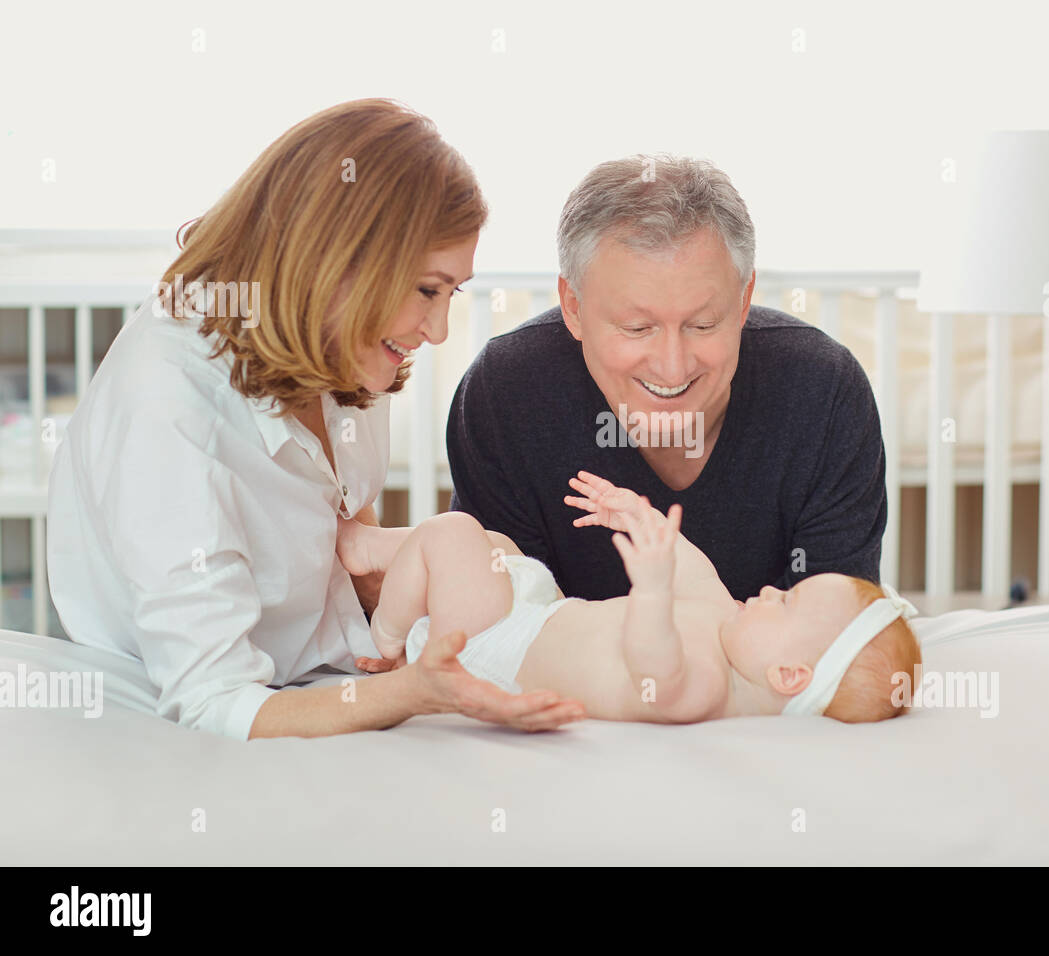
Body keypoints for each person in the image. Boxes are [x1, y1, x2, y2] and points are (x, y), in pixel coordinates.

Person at [46, 98, 585, 741]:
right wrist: (410, 691)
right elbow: (216, 702)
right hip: (246, 695)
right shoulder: (171, 409)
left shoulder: (343, 348)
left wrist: (436, 585)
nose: (439, 331)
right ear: (336, 261)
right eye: (425, 290)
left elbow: (347, 545)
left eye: (452, 293)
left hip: (325, 664)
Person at [447, 155, 888, 601]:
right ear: (573, 308)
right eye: (638, 329)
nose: (672, 367)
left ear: (743, 300)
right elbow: (503, 633)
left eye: (703, 325)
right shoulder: (506, 394)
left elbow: (837, 635)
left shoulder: (825, 392)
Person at [338, 472, 921, 722]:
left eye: (786, 604)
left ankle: (387, 636)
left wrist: (650, 589)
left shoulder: (705, 691)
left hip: (497, 653)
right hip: (540, 614)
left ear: (789, 675)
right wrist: (640, 516)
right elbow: (693, 575)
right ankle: (389, 552)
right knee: (497, 545)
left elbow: (654, 667)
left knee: (454, 534)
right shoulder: (726, 626)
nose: (771, 589)